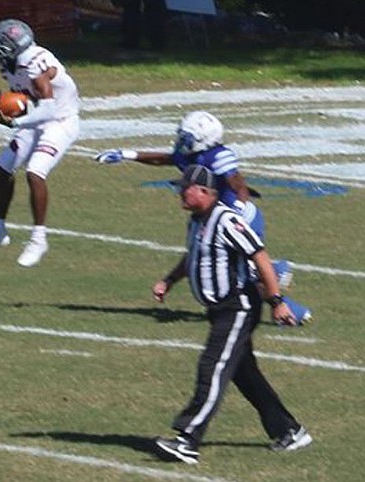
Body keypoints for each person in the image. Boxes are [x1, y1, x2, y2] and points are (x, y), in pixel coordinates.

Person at [151, 164, 312, 464]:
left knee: (212, 367)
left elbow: (260, 256)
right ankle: (289, 431)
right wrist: (169, 280)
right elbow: (195, 257)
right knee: (243, 373)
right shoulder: (196, 222)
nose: (179, 193)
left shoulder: (226, 220)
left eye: (184, 188)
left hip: (238, 307)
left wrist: (276, 300)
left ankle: (188, 439)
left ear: (204, 191)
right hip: (218, 310)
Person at [95, 110, 312, 325]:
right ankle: (277, 277)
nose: (182, 142)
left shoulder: (218, 156)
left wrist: (236, 211)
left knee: (244, 277)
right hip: (211, 216)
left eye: (188, 138)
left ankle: (289, 307)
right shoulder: (191, 156)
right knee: (217, 262)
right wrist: (128, 155)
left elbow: (239, 184)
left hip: (236, 218)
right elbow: (164, 159)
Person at [0, 18, 81, 268]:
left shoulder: (35, 66)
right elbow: (29, 100)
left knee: (35, 172)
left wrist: (15, 122)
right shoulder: (11, 65)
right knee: (3, 165)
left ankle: (39, 239)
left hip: (61, 121)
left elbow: (48, 109)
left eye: (0, 48)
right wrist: (10, 103)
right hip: (39, 119)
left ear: (15, 47)